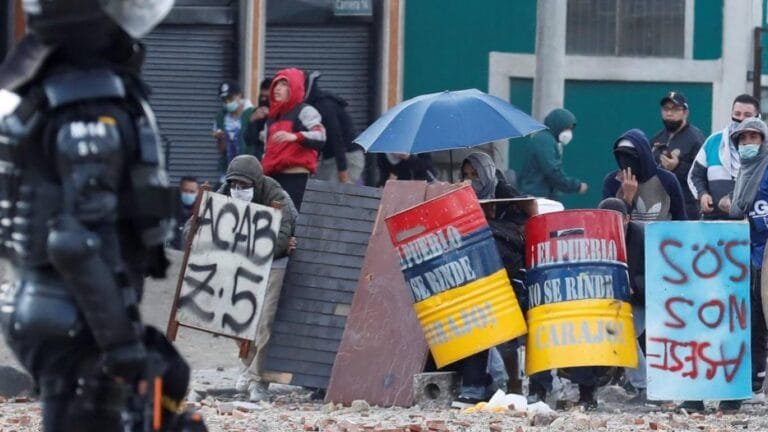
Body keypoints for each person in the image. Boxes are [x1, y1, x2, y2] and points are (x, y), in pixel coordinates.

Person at [0, 1, 206, 431]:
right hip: (77, 319)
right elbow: (77, 241)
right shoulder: (86, 99)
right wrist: (122, 346)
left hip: (63, 311)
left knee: (165, 389)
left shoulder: (47, 88)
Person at [701, 117, 768, 413]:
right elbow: (741, 209)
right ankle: (751, 382)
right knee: (751, 319)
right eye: (742, 139)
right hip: (747, 256)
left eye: (754, 137)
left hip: (765, 255)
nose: (748, 144)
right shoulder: (744, 173)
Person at [217, 155, 298, 402]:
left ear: (256, 182)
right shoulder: (224, 193)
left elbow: (281, 241)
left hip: (275, 261)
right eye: (235, 185)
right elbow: (196, 224)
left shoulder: (278, 197)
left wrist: (239, 244)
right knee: (233, 315)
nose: (238, 191)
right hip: (242, 260)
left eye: (244, 186)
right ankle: (249, 364)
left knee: (266, 319)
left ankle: (259, 378)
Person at [597, 198, 649, 404]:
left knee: (625, 336)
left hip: (641, 299)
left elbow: (656, 271)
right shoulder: (596, 236)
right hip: (611, 301)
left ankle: (644, 386)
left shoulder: (643, 236)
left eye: (616, 220)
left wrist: (633, 285)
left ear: (628, 219)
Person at [261, 68, 326, 210]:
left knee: (292, 223)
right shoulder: (272, 118)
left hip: (296, 180)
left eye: (284, 84)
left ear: (294, 87)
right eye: (276, 84)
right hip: (273, 180)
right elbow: (266, 151)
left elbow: (321, 136)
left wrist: (295, 137)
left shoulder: (305, 111)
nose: (277, 88)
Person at [688, 94, 761, 220]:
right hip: (714, 222)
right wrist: (702, 194)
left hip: (753, 224)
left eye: (747, 115)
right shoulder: (713, 141)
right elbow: (695, 175)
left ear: (757, 117)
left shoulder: (763, 147)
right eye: (737, 114)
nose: (741, 119)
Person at [602, 129, 687, 221]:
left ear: (643, 155)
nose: (625, 162)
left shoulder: (667, 179)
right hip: (629, 235)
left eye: (630, 157)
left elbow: (680, 219)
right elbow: (610, 223)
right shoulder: (612, 181)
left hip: (662, 235)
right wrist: (627, 198)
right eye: (621, 157)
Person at [649, 91, 705, 220]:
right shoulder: (657, 139)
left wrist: (677, 167)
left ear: (685, 112)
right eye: (666, 109)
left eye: (675, 109)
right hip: (658, 205)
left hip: (686, 207)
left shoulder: (695, 139)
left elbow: (702, 174)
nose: (669, 113)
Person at [305, 71, 365, 184]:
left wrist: (342, 171)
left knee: (336, 196)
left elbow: (336, 137)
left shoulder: (324, 106)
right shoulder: (312, 106)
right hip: (331, 159)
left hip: (346, 158)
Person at [518, 108, 588, 199]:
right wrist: (576, 186)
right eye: (567, 128)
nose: (569, 133)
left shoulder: (545, 139)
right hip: (539, 196)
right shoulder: (545, 141)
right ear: (559, 125)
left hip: (539, 194)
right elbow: (552, 171)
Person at [213, 80, 255, 179]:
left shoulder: (253, 113)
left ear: (239, 95)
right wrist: (221, 138)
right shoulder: (221, 117)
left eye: (230, 98)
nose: (227, 103)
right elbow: (221, 150)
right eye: (224, 100)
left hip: (248, 172)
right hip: (227, 172)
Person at [244, 78, 272, 160]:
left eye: (267, 97)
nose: (263, 99)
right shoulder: (256, 113)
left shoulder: (283, 114)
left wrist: (271, 116)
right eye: (261, 96)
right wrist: (252, 120)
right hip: (259, 161)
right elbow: (249, 140)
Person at [171, 176, 200, 250]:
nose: (188, 194)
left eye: (192, 192)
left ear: (198, 192)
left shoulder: (202, 212)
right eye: (185, 191)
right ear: (180, 190)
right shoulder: (170, 211)